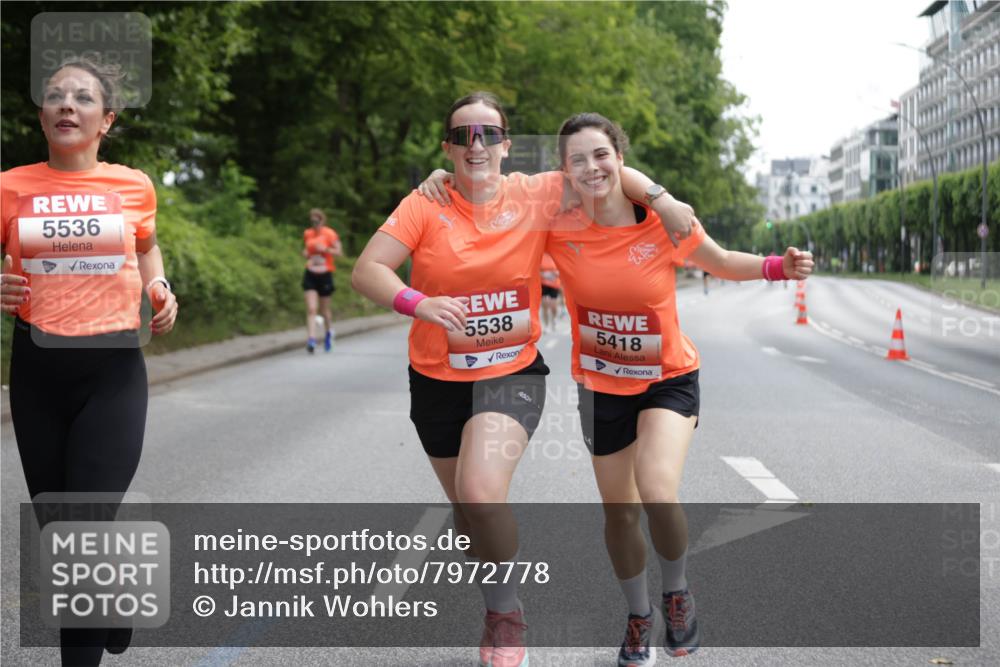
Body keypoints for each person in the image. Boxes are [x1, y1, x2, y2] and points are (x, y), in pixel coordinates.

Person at [355, 92, 693, 667]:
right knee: (467, 519)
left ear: (506, 145)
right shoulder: (423, 203)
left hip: (510, 373)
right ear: (448, 148)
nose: (476, 145)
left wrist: (661, 197)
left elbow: (606, 171)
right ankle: (497, 601)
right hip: (435, 378)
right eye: (463, 137)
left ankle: (506, 620)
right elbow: (368, 270)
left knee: (481, 494)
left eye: (488, 134)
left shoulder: (535, 194)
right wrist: (419, 303)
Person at [546, 112, 813, 664]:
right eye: (578, 159)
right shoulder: (555, 224)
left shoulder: (661, 223)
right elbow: (491, 194)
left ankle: (677, 592)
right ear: (564, 172)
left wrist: (776, 267)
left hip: (667, 379)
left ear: (620, 160)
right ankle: (639, 616)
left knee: (658, 489)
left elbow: (718, 262)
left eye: (602, 155)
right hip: (600, 387)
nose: (591, 167)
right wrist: (436, 179)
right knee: (619, 513)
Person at [0, 58, 178, 666]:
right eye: (55, 96)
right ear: (43, 114)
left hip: (113, 371)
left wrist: (160, 290)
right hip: (37, 372)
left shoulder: (134, 186)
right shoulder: (9, 186)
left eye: (82, 97)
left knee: (81, 535)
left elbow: (149, 250)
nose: (66, 105)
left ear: (107, 118)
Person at [302, 207, 342, 353]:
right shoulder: (308, 234)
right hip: (310, 272)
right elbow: (307, 251)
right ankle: (311, 339)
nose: (315, 224)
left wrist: (325, 249)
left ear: (322, 220)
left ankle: (328, 333)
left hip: (325, 273)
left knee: (324, 310)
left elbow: (339, 252)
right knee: (312, 309)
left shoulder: (330, 233)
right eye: (312, 221)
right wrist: (306, 253)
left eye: (317, 221)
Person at [539, 252, 561, 332]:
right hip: (543, 283)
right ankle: (546, 325)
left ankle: (554, 319)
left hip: (554, 284)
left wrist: (556, 273)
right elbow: (535, 269)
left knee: (553, 306)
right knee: (545, 305)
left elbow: (561, 269)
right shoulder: (540, 255)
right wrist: (542, 274)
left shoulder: (556, 254)